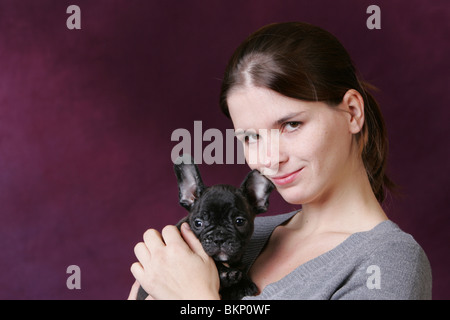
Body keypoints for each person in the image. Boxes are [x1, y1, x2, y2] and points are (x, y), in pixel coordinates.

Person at [129, 22, 432, 300]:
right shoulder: (244, 233)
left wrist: (193, 298)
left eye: (291, 125)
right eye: (251, 137)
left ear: (352, 112)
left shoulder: (387, 261)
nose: (270, 159)